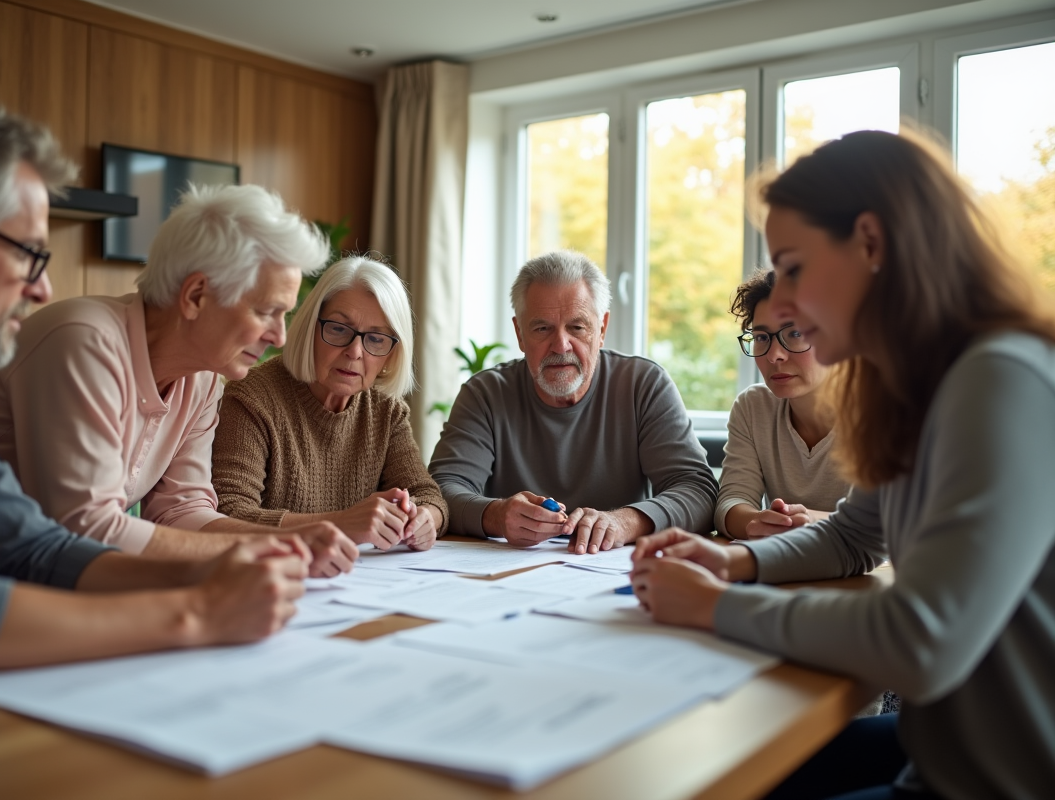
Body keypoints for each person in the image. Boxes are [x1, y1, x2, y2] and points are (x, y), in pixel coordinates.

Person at [631, 129, 1055, 799]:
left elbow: (921, 643)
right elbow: (855, 535)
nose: (787, 302)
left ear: (871, 242)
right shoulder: (913, 389)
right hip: (936, 751)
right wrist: (735, 563)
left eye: (794, 266)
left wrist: (716, 609)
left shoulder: (1001, 379)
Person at [0, 95, 308, 681]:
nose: (43, 290)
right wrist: (196, 612)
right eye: (29, 256)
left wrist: (206, 574)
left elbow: (32, 548)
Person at [0, 184, 358, 578]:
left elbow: (181, 510)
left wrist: (285, 544)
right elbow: (86, 529)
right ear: (196, 295)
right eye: (266, 312)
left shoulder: (203, 378)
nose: (279, 337)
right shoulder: (83, 341)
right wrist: (267, 546)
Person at [429, 250, 717, 555]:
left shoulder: (643, 385)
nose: (561, 345)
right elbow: (440, 492)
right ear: (520, 334)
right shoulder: (485, 393)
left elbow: (698, 491)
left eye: (577, 327)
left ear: (602, 329)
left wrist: (625, 522)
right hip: (502, 572)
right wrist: (496, 515)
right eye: (542, 328)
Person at [212, 255, 448, 550]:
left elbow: (427, 494)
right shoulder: (253, 397)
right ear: (311, 328)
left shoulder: (386, 412)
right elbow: (228, 513)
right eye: (338, 329)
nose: (355, 351)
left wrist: (425, 518)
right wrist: (342, 523)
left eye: (375, 339)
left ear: (391, 355)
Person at [715, 269, 849, 539]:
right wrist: (758, 521)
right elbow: (729, 505)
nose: (775, 355)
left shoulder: (885, 409)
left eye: (796, 333)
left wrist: (809, 520)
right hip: (784, 566)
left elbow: (893, 523)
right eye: (762, 337)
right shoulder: (754, 407)